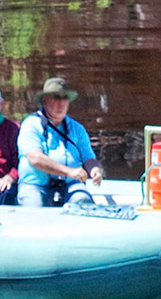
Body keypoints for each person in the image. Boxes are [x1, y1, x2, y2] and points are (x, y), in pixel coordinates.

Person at [18, 76, 102, 208]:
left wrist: (95, 169)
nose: (62, 103)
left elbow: (88, 158)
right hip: (35, 186)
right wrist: (68, 171)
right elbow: (35, 158)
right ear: (45, 101)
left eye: (65, 98)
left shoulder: (77, 128)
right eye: (56, 97)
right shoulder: (31, 124)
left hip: (70, 186)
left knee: (83, 200)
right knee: (34, 208)